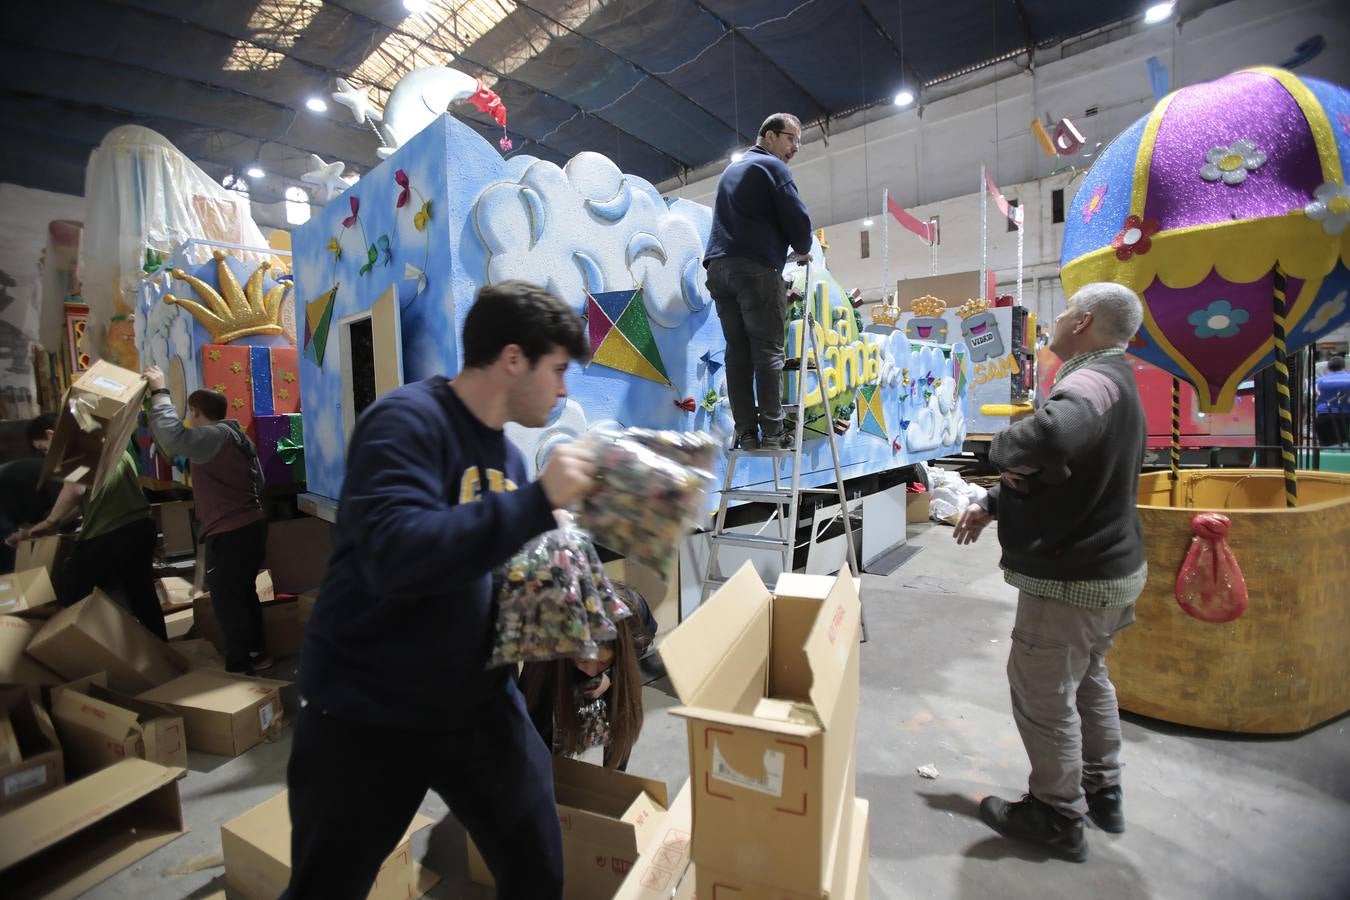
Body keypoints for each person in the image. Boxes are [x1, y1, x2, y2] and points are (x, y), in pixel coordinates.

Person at [282, 281, 597, 900]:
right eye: (558, 370)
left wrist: (565, 591)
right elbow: (395, 556)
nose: (564, 389)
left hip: (474, 704)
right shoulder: (405, 422)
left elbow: (478, 562)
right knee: (326, 887)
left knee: (537, 867)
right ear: (513, 358)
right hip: (366, 710)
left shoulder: (507, 456)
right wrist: (535, 504)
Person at [952, 282, 1148, 863]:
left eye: (1065, 312)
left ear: (1084, 321)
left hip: (1073, 579)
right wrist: (995, 500)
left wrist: (1002, 448)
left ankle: (1056, 815)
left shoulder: (1090, 379)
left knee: (1043, 695)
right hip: (1109, 568)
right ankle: (1102, 789)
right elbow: (1069, 473)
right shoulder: (1119, 377)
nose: (1057, 320)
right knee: (1088, 679)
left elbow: (1055, 434)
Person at [143, 369, 272, 674]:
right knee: (243, 593)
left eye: (189, 412)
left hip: (230, 532)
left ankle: (240, 667)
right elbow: (261, 482)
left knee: (228, 602)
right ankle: (257, 652)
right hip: (251, 525)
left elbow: (173, 437)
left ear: (195, 412)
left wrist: (160, 392)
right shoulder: (236, 435)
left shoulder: (211, 436)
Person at [704, 112, 813, 451]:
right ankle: (773, 432)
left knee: (737, 353)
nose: (795, 147)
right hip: (754, 268)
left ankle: (747, 432)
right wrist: (804, 247)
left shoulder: (732, 170)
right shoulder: (773, 167)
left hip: (719, 269)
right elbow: (796, 216)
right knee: (768, 351)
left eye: (798, 141)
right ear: (768, 135)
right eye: (790, 138)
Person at [6, 414, 165, 639]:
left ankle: (75, 654)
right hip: (140, 528)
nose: (47, 455)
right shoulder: (110, 444)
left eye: (44, 449)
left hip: (109, 534)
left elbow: (75, 490)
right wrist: (47, 526)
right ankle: (162, 655)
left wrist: (51, 521)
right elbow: (85, 503)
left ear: (52, 435)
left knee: (69, 594)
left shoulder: (76, 446)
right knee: (142, 596)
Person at [520, 583, 655, 771]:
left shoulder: (635, 617)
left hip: (613, 667)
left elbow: (634, 660)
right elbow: (532, 719)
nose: (592, 671)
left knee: (621, 709)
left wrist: (611, 674)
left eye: (601, 662)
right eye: (584, 660)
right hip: (558, 666)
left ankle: (614, 778)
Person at [0, 414, 62, 574]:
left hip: (10, 497)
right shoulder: (54, 468)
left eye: (44, 449)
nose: (46, 454)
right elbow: (61, 510)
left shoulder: (59, 466)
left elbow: (64, 510)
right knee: (10, 549)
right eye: (43, 450)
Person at [1314, 355, 1350, 447]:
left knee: (1326, 447)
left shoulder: (1319, 381)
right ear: (1344, 366)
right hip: (1346, 417)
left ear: (1328, 368)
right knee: (1345, 447)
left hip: (1324, 417)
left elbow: (1310, 397)